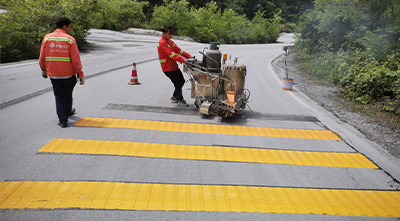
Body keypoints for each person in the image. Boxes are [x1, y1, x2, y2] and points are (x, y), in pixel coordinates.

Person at [39, 17, 85, 128]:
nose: (70, 29)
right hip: (69, 75)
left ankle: (63, 119)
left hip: (54, 75)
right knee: (68, 94)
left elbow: (42, 57)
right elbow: (76, 60)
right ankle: (67, 111)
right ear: (65, 26)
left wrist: (43, 69)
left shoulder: (47, 38)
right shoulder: (70, 40)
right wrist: (80, 74)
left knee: (59, 96)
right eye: (69, 26)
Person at [157, 26, 192, 107]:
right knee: (178, 83)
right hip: (167, 68)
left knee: (181, 81)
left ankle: (175, 96)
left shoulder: (170, 42)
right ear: (164, 33)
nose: (171, 35)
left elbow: (179, 51)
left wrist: (189, 56)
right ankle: (180, 99)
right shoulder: (162, 43)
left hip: (173, 67)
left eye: (172, 34)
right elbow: (171, 54)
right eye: (170, 34)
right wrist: (183, 60)